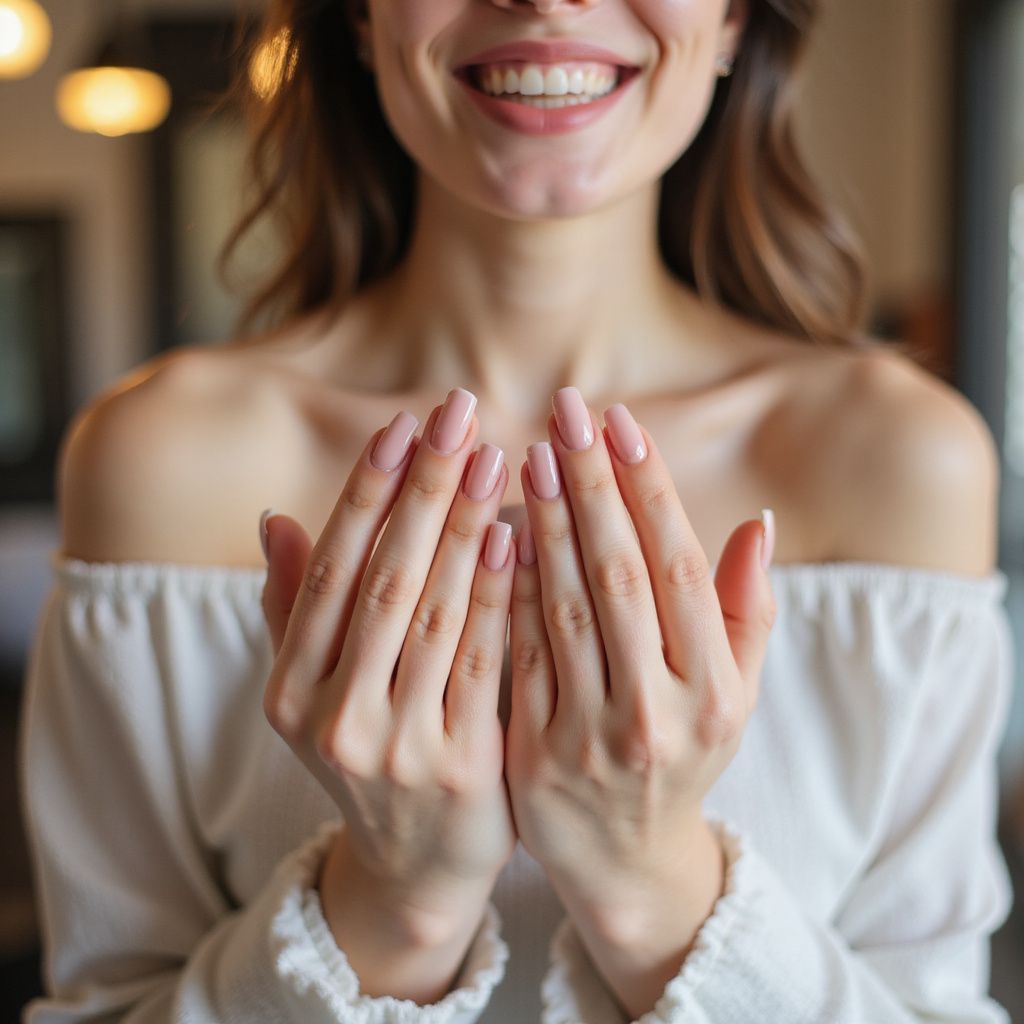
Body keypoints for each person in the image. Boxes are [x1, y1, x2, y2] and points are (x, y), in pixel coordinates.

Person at [18, 0, 1014, 1021]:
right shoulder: (162, 462)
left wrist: (652, 879)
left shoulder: (900, 461)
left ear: (732, 23)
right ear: (360, 18)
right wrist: (393, 905)